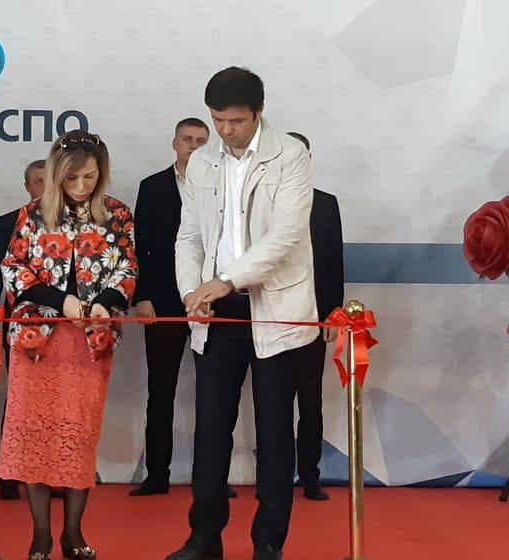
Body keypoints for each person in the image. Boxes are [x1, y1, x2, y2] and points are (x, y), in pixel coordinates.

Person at [167, 67, 316, 560]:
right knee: (211, 431)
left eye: (235, 121)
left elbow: (286, 236)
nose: (226, 130)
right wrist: (193, 292)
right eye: (218, 120)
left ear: (259, 112)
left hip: (274, 308)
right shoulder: (202, 162)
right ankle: (204, 538)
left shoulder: (290, 155)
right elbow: (189, 235)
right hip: (216, 313)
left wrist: (227, 279)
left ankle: (268, 542)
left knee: (274, 434)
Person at [0, 130, 137, 560]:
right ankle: (40, 535)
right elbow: (14, 268)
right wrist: (62, 301)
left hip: (89, 343)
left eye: (89, 177)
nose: (80, 186)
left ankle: (72, 533)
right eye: (72, 178)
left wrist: (106, 302)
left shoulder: (117, 214)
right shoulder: (32, 214)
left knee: (78, 436)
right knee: (35, 438)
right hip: (37, 342)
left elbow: (127, 268)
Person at [129, 118, 210, 497]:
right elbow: (140, 245)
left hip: (210, 302)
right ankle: (157, 474)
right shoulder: (152, 187)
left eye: (201, 141)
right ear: (174, 143)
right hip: (161, 302)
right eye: (187, 140)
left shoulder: (222, 183)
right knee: (160, 391)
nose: (193, 146)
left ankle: (211, 477)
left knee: (214, 394)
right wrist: (141, 295)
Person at [286, 132, 345, 501]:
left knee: (311, 403)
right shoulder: (259, 201)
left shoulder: (325, 204)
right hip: (269, 321)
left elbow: (333, 262)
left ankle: (310, 475)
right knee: (273, 406)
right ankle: (273, 477)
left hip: (313, 319)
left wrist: (333, 313)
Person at [0, 159, 46, 500]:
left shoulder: (74, 223)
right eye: (38, 181)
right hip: (18, 323)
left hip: (62, 324)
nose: (45, 188)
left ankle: (51, 473)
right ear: (27, 186)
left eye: (50, 180)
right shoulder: (8, 222)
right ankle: (11, 470)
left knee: (54, 402)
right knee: (20, 397)